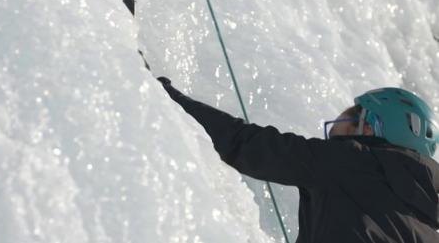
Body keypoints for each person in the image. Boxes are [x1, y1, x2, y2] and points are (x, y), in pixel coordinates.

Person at [157, 77, 439, 243]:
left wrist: (165, 96)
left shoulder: (351, 161)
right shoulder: (428, 225)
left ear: (370, 126)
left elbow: (245, 144)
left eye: (350, 114)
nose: (338, 122)